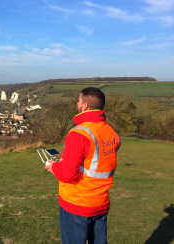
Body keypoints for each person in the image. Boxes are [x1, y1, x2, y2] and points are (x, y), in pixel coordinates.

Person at [45, 87, 122, 244]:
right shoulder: (110, 130)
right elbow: (97, 158)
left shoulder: (79, 134)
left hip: (77, 203)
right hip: (101, 202)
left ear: (85, 106)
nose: (77, 104)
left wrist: (53, 167)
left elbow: (67, 174)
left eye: (79, 101)